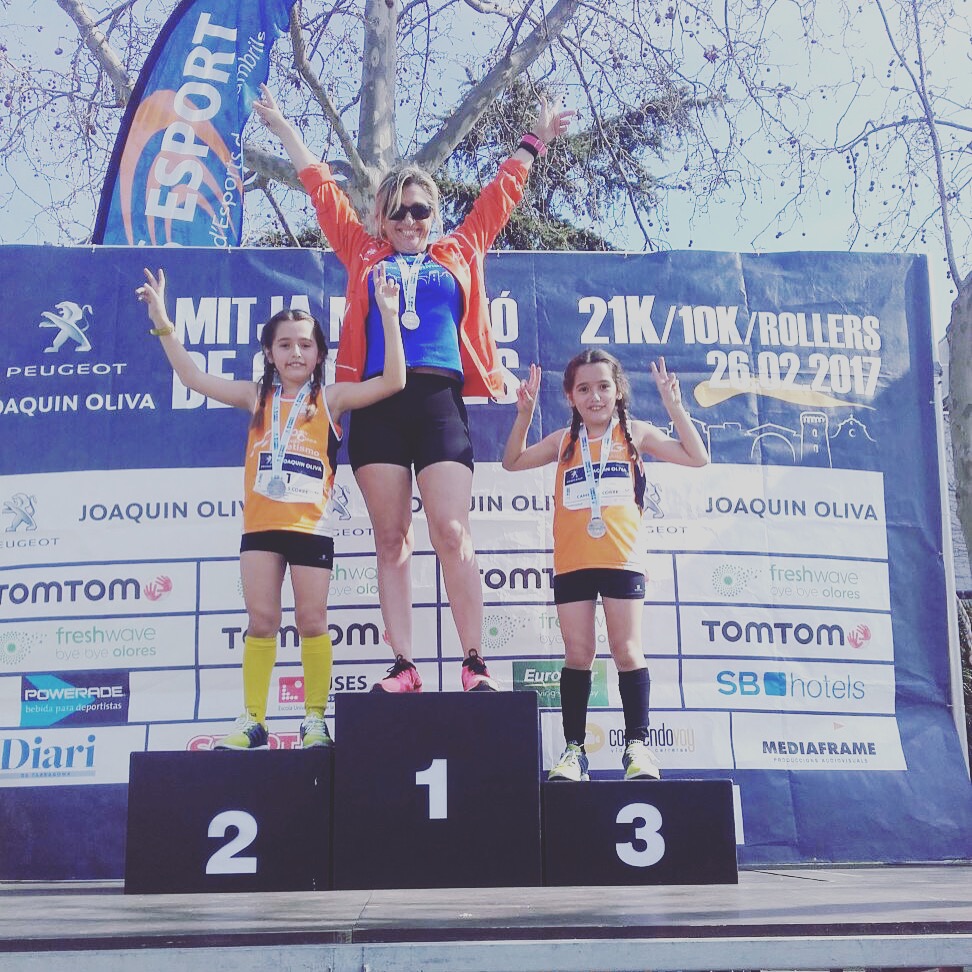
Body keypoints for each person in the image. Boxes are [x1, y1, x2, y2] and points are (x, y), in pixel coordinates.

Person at [252, 85, 575, 694]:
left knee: (452, 531)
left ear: (434, 216)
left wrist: (536, 138)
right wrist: (284, 129)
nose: (408, 221)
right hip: (377, 403)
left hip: (437, 402)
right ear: (381, 218)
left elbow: (500, 195)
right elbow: (321, 190)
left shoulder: (458, 251)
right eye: (397, 212)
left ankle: (475, 662)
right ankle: (403, 664)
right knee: (391, 537)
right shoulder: (362, 253)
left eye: (419, 211)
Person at [136, 265, 406, 749]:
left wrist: (388, 315)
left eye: (305, 344)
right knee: (262, 621)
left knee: (312, 622)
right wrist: (163, 322)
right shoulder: (255, 396)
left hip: (311, 530)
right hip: (260, 531)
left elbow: (393, 381)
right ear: (269, 352)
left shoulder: (332, 398)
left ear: (319, 353)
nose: (295, 353)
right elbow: (191, 375)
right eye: (285, 344)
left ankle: (314, 719)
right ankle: (253, 719)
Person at [502, 351, 709, 781]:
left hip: (622, 560)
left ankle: (638, 748)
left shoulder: (636, 433)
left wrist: (674, 406)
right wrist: (524, 414)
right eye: (584, 389)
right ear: (570, 396)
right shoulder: (563, 440)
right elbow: (513, 461)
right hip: (573, 563)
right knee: (578, 655)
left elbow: (697, 456)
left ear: (617, 391)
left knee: (627, 651)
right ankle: (574, 752)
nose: (594, 396)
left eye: (602, 387)